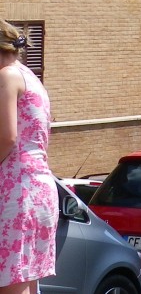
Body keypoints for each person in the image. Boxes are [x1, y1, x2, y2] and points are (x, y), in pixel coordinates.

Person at [0, 20, 56, 294]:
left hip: (17, 192)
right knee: (27, 280)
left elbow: (7, 137)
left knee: (11, 283)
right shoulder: (29, 76)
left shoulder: (7, 76)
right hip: (38, 190)